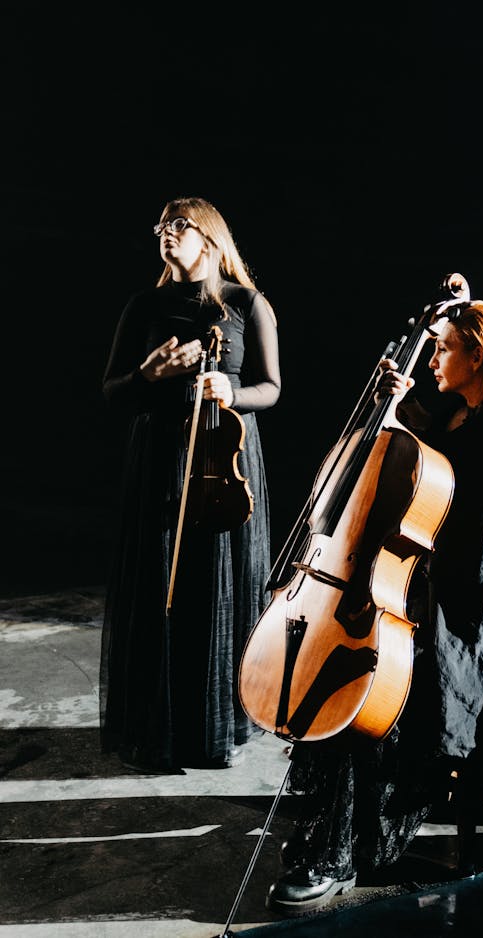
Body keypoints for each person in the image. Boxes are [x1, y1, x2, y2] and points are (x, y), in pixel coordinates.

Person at [264, 297, 483, 916]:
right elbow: (406, 472)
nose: (433, 359)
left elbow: (480, 565)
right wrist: (394, 407)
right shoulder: (458, 414)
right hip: (416, 602)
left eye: (443, 349)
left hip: (462, 626)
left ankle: (339, 850)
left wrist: (399, 604)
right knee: (348, 668)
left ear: (479, 355)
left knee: (369, 681)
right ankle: (329, 824)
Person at [99, 196, 281, 772]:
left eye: (178, 225)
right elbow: (113, 391)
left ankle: (214, 726)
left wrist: (232, 393)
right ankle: (161, 725)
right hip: (159, 457)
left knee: (215, 582)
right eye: (161, 226)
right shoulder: (143, 305)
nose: (165, 233)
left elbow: (271, 387)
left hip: (223, 459)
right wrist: (148, 375)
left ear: (208, 236)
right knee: (159, 585)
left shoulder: (246, 304)